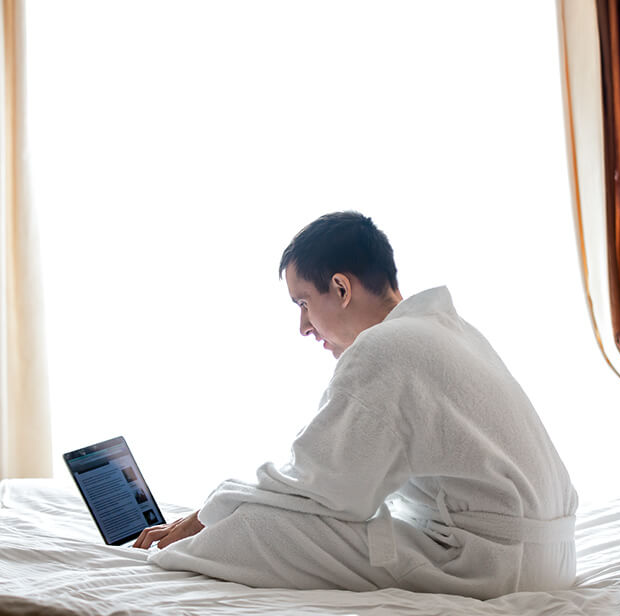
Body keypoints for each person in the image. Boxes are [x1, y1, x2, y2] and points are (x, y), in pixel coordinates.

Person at [134, 212, 578, 598]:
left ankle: (165, 552)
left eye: (304, 303)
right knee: (259, 511)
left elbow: (319, 486)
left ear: (341, 288)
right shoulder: (446, 330)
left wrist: (209, 513)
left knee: (254, 526)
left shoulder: (386, 347)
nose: (303, 326)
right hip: (548, 556)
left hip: (496, 565)